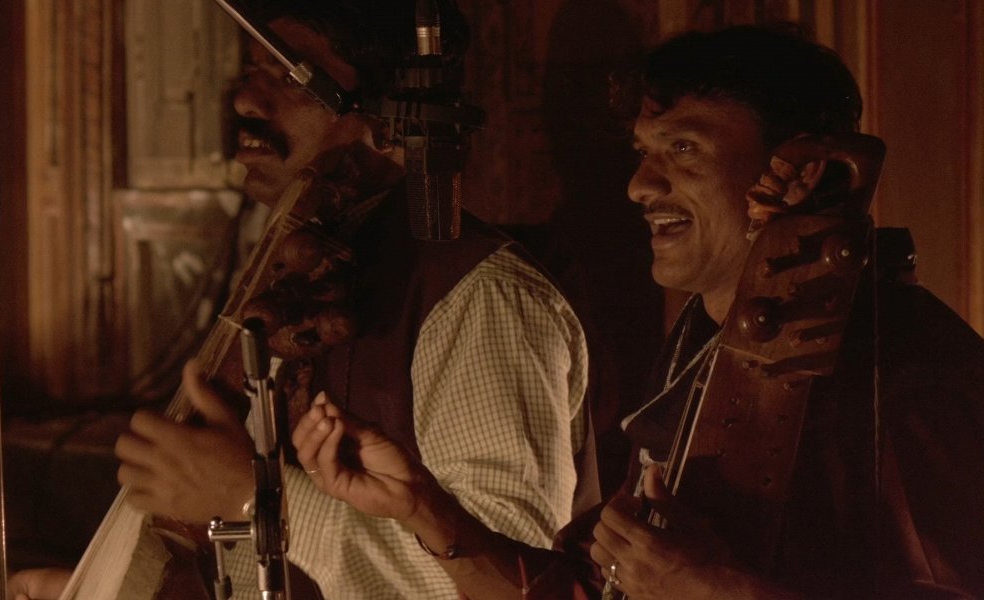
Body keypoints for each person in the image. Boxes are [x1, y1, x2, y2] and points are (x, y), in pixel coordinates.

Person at [290, 24, 984, 599]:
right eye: (643, 153)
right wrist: (420, 505)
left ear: (802, 171)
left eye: (683, 149)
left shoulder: (906, 361)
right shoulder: (700, 347)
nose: (639, 186)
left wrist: (707, 588)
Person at [10, 1, 593, 599]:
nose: (246, 101)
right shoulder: (300, 264)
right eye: (252, 70)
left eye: (290, 75)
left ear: (388, 119)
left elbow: (513, 581)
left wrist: (253, 498)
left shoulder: (480, 297)